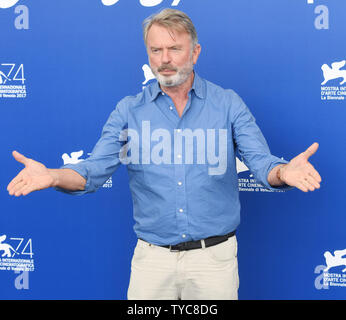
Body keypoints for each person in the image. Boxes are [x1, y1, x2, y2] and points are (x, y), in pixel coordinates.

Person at [7, 9, 322, 300]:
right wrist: (53, 176)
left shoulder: (227, 104)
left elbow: (261, 162)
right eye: (156, 50)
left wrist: (283, 173)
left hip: (214, 259)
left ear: (195, 52)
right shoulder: (128, 111)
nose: (165, 59)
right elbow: (92, 172)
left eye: (174, 49)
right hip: (152, 261)